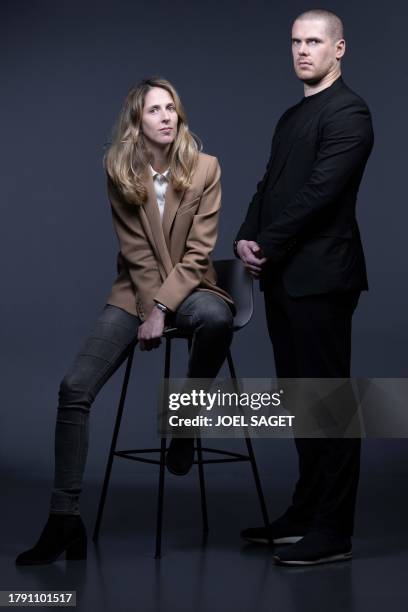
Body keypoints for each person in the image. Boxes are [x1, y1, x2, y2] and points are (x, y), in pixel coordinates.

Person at [16, 77, 234, 565]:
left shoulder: (205, 169)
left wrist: (164, 310)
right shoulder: (120, 171)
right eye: (154, 110)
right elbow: (135, 254)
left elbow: (199, 253)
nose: (166, 116)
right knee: (73, 388)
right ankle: (63, 518)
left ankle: (185, 424)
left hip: (192, 289)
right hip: (132, 293)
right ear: (136, 122)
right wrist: (148, 308)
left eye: (171, 107)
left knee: (217, 318)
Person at [235, 9, 374, 565]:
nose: (302, 51)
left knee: (330, 403)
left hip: (322, 277)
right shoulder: (292, 115)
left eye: (314, 41)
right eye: (296, 41)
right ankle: (304, 512)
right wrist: (247, 235)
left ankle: (333, 531)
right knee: (300, 402)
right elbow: (269, 184)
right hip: (282, 276)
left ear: (339, 49)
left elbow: (320, 193)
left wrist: (265, 241)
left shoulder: (350, 112)